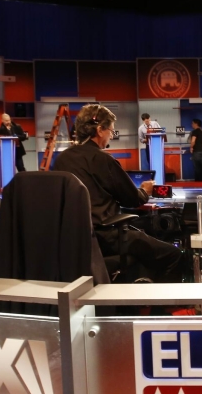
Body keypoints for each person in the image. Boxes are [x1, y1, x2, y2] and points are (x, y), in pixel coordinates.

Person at [52, 104, 182, 283]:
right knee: (174, 254)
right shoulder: (102, 159)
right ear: (99, 130)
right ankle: (161, 308)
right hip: (107, 236)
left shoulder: (62, 159)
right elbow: (132, 199)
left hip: (73, 238)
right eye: (111, 131)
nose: (111, 136)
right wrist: (145, 190)